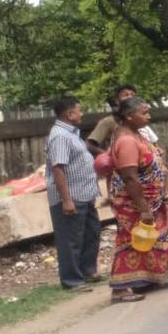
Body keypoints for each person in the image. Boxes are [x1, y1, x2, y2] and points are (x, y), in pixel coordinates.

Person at [106, 97, 168, 302]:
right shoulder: (126, 141)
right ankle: (120, 288)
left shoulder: (137, 135)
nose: (149, 116)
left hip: (152, 200)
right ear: (129, 116)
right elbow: (129, 177)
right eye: (144, 113)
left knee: (149, 239)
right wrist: (143, 208)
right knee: (132, 240)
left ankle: (146, 279)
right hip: (133, 202)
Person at [46, 96, 102, 291]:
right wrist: (66, 199)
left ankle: (87, 271)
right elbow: (58, 168)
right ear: (69, 114)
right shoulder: (60, 135)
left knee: (91, 233)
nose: (82, 113)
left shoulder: (71, 134)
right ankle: (72, 281)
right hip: (71, 196)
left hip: (85, 194)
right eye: (79, 110)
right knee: (70, 240)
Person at [86, 83, 159, 155]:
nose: (130, 97)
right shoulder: (109, 121)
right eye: (126, 95)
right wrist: (108, 156)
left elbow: (154, 143)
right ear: (117, 101)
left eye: (133, 95)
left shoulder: (139, 121)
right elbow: (90, 144)